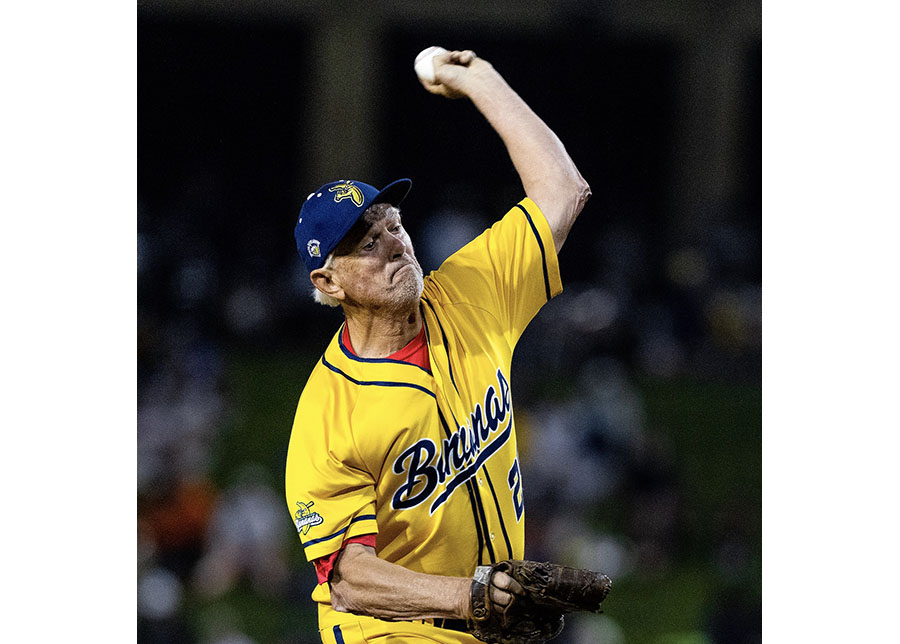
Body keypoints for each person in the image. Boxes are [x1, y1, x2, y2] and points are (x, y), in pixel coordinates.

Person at [285, 48, 592, 644]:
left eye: (391, 224)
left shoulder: (471, 293)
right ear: (328, 281)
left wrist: (479, 79)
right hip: (393, 632)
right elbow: (348, 578)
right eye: (365, 242)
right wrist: (468, 595)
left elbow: (562, 189)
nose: (393, 244)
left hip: (493, 626)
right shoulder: (328, 414)